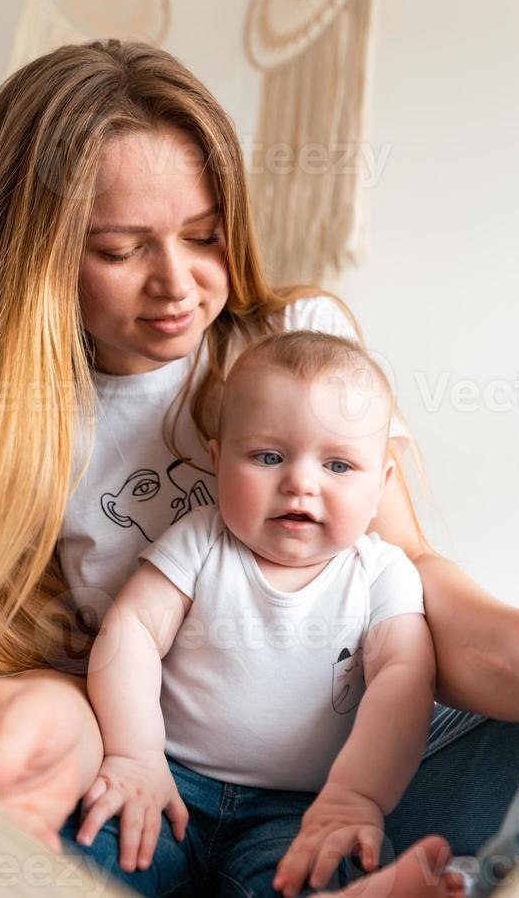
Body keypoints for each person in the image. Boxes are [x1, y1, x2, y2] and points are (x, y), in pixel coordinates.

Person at [0, 39, 519, 896]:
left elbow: (410, 580)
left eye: (203, 236)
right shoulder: (19, 422)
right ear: (41, 255)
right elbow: (69, 654)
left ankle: (446, 875)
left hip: (360, 767)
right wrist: (84, 741)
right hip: (147, 772)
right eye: (122, 250)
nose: (178, 285)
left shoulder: (293, 348)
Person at [76, 330, 446, 897]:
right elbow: (132, 632)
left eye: (340, 466)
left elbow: (405, 678)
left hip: (301, 809)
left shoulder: (381, 573)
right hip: (170, 779)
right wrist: (134, 754)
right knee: (98, 851)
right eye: (268, 456)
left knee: (309, 871)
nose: (301, 481)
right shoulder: (202, 541)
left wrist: (357, 795)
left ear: (382, 486)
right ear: (219, 461)